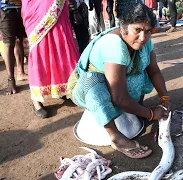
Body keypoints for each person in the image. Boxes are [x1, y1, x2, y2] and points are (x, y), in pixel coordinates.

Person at [67, 2, 171, 159]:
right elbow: (119, 98)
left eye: (148, 31)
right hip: (86, 90)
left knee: (141, 70)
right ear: (124, 27)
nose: (143, 37)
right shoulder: (114, 44)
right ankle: (115, 135)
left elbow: (154, 71)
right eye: (137, 30)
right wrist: (150, 114)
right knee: (93, 80)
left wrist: (164, 97)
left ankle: (137, 109)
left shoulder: (145, 41)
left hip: (116, 89)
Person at [21, 0, 80, 118]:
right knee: (39, 49)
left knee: (61, 43)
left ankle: (64, 89)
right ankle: (36, 100)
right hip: (35, 9)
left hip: (58, 5)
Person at [0, 0, 28, 95]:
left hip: (20, 8)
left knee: (19, 40)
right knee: (8, 44)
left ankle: (21, 73)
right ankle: (11, 80)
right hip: (4, 9)